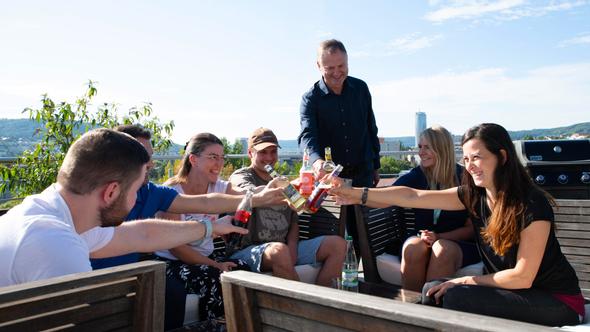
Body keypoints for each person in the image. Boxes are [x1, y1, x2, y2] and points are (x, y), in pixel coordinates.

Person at [330, 123, 584, 326]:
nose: (470, 165)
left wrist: (464, 281)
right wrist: (353, 193)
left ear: (502, 157)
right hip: (521, 294)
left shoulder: (531, 204)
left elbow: (522, 276)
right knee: (432, 289)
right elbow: (411, 196)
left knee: (454, 294)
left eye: (478, 157)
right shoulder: (475, 195)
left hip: (557, 301)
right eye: (467, 158)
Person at [0, 128, 250, 288]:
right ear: (111, 192)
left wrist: (210, 227)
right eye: (135, 190)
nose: (137, 199)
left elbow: (140, 234)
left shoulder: (57, 214)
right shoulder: (57, 246)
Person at [91, 125, 284, 269]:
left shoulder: (153, 193)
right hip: (102, 278)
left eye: (150, 156)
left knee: (238, 277)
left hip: (128, 276)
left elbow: (206, 202)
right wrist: (213, 242)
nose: (150, 163)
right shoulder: (93, 198)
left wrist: (265, 194)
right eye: (143, 156)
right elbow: (160, 238)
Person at [229, 127, 346, 287]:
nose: (269, 157)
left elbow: (293, 222)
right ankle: (302, 307)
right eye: (263, 152)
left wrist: (292, 248)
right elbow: (247, 192)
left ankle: (323, 303)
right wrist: (289, 186)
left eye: (273, 151)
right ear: (250, 153)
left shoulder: (282, 180)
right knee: (279, 251)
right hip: (248, 249)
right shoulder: (242, 176)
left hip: (282, 247)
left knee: (338, 245)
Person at [155, 133, 251, 321]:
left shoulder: (219, 187)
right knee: (214, 277)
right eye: (213, 157)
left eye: (222, 158)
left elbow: (249, 194)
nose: (219, 163)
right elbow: (176, 247)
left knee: (244, 271)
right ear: (193, 159)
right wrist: (216, 264)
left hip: (206, 257)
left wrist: (275, 189)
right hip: (172, 262)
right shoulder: (172, 192)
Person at [298, 39, 380, 254]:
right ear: (318, 66)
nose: (337, 72)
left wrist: (376, 165)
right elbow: (307, 137)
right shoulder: (310, 99)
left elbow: (371, 129)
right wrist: (316, 162)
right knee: (332, 238)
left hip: (363, 175)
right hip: (330, 181)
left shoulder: (361, 88)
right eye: (330, 68)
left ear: (347, 62)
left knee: (367, 240)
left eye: (341, 66)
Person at [393, 125, 479, 291]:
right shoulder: (417, 175)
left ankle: (430, 309)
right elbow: (389, 193)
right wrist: (355, 193)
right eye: (420, 147)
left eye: (427, 147)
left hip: (459, 243)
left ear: (441, 149)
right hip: (423, 239)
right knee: (413, 248)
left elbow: (471, 229)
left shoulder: (465, 179)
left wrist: (439, 236)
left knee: (442, 249)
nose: (420, 153)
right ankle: (410, 310)